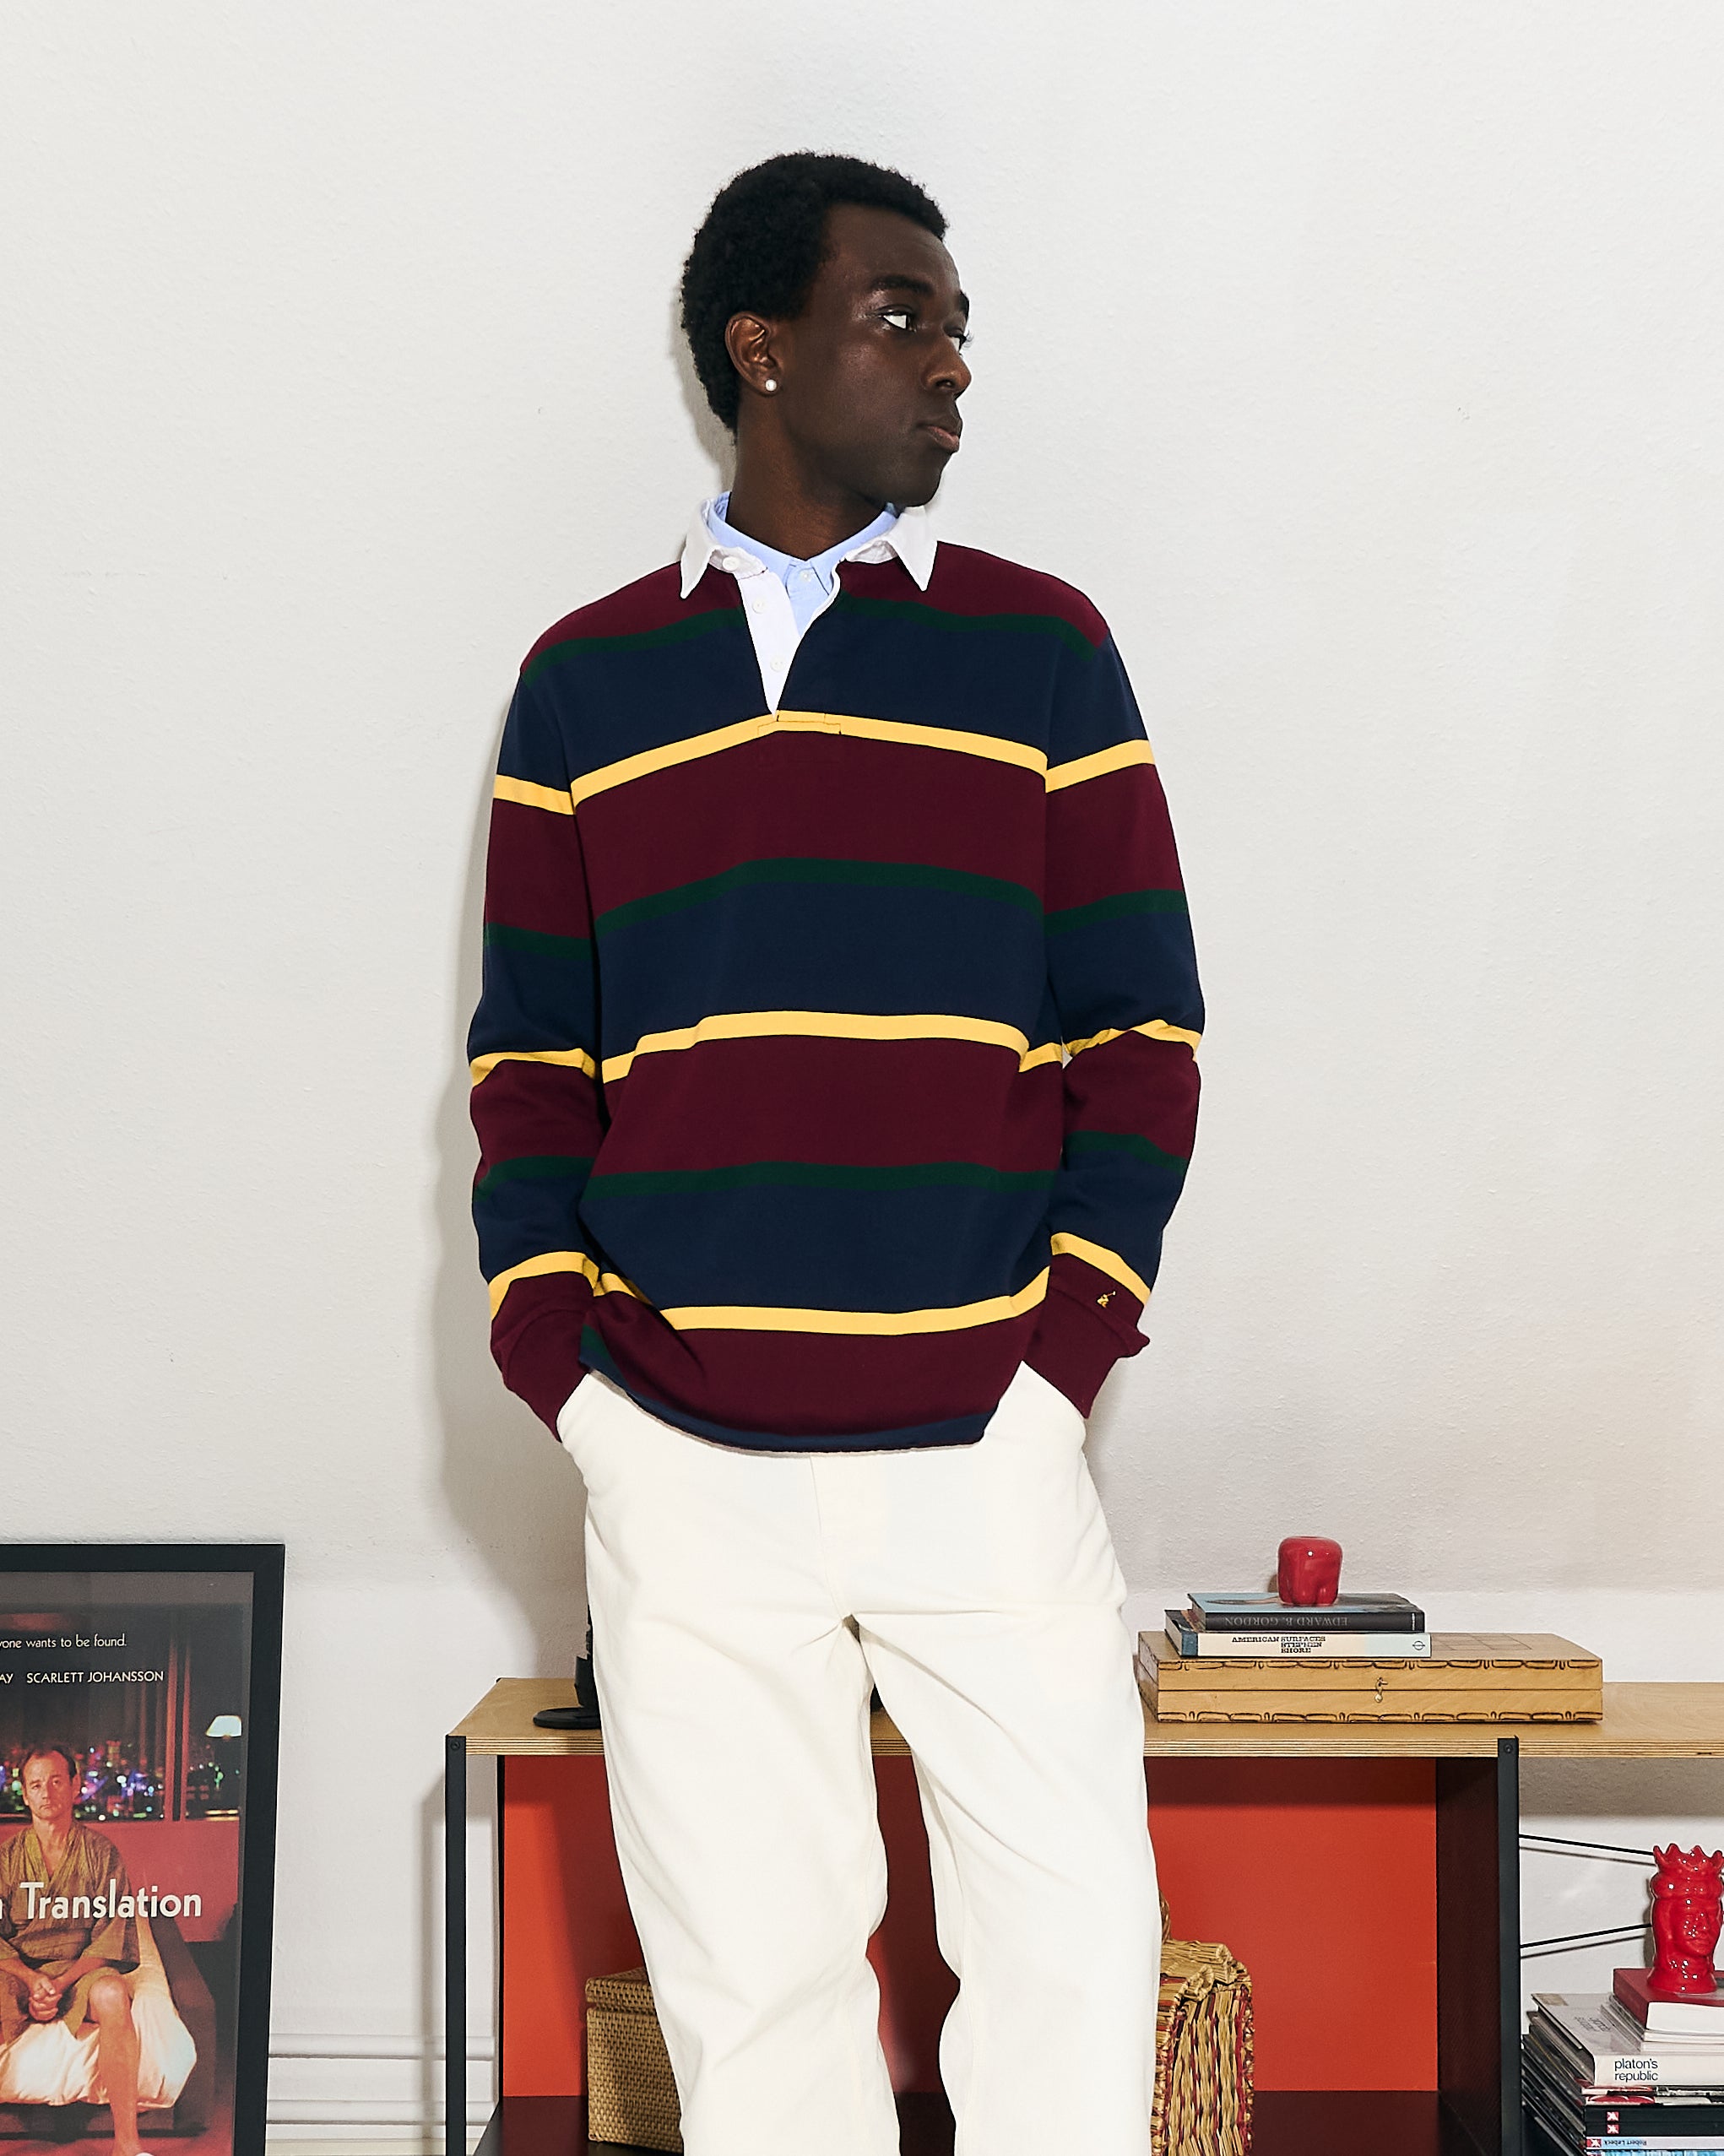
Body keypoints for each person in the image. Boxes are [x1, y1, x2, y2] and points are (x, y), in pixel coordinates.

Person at [469, 152, 1203, 2156]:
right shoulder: (585, 681)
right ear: (762, 347)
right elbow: (530, 1065)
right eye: (903, 317)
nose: (951, 365)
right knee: (753, 1994)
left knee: (1069, 1957)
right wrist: (575, 1382)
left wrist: (1060, 1355)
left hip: (984, 1431)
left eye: (959, 328)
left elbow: (1139, 1033)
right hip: (680, 1450)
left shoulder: (1042, 652)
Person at [0, 1746, 147, 2156]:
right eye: (35, 1785)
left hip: (80, 1968)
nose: (46, 1793)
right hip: (18, 1967)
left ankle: (127, 2145)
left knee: (113, 1995)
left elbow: (112, 1932)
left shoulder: (101, 1853)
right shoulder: (6, 1859)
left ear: (75, 1785)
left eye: (56, 1781)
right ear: (25, 1794)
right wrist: (31, 1979)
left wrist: (62, 1982)